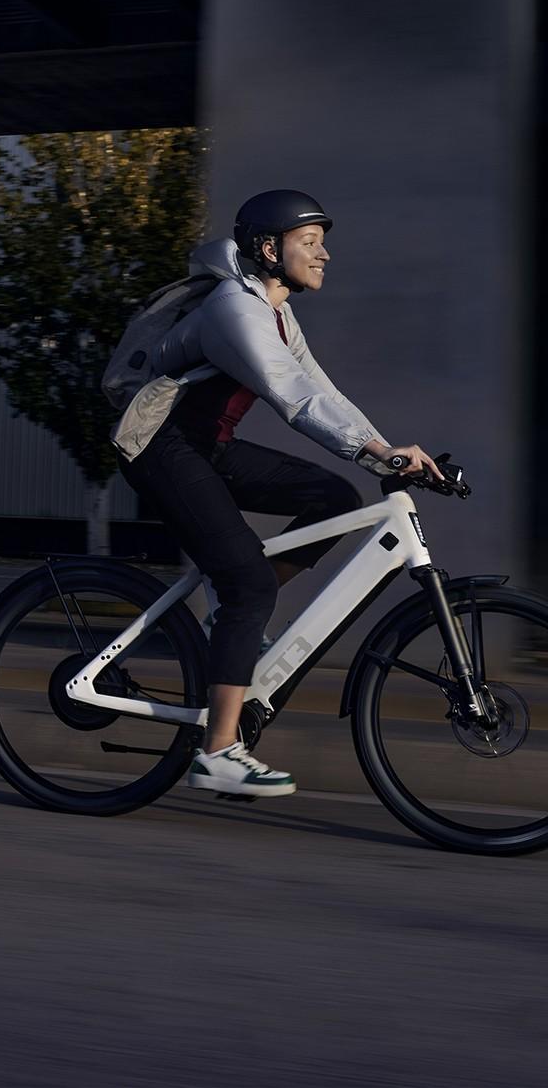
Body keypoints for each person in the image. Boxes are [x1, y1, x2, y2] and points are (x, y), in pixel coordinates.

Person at [121, 189, 443, 797]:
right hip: (161, 447)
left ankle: (229, 613)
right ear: (269, 248)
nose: (325, 256)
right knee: (251, 585)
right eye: (310, 243)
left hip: (207, 447)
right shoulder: (232, 309)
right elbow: (292, 396)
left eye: (324, 243)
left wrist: (384, 448)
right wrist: (375, 451)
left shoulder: (274, 308)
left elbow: (321, 387)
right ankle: (217, 751)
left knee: (337, 498)